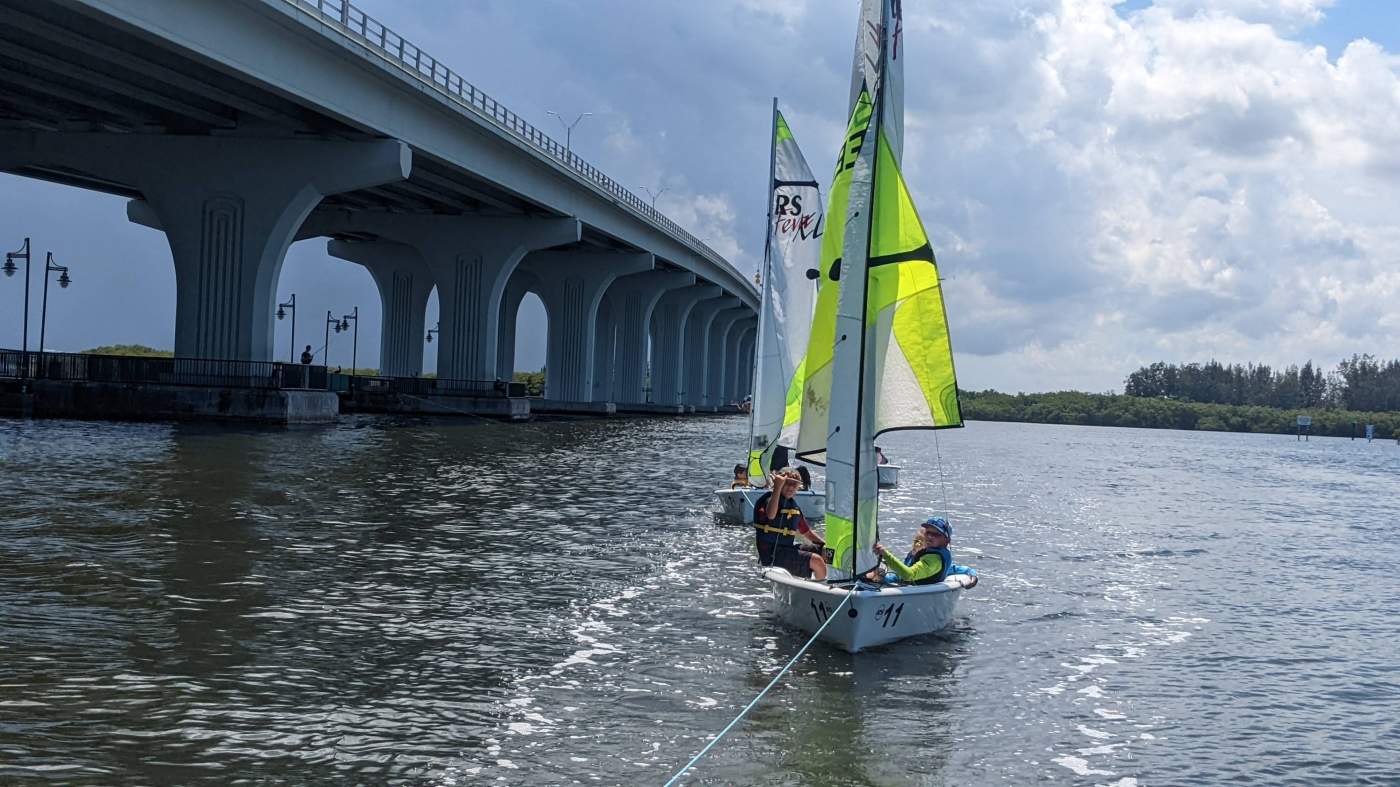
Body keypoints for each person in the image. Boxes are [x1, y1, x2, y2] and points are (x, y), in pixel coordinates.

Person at [753, 468, 826, 580]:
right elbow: (771, 515)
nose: (791, 487)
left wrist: (825, 545)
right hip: (772, 556)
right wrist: (777, 488)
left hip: (787, 551)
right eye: (787, 483)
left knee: (827, 552)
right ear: (780, 483)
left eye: (794, 484)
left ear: (799, 487)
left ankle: (840, 581)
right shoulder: (769, 500)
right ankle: (821, 591)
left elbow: (807, 533)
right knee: (817, 561)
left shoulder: (793, 506)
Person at [873, 517, 977, 587]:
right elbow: (954, 569)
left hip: (913, 595)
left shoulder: (934, 560)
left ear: (947, 541)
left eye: (936, 534)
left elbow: (908, 575)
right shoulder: (929, 555)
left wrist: (885, 554)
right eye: (928, 532)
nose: (930, 536)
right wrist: (883, 578)